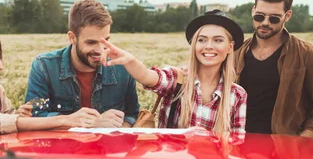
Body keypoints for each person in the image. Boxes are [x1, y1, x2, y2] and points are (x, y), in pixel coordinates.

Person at [101, 10, 247, 138]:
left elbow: (236, 143)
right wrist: (130, 61)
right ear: (194, 45)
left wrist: (208, 139)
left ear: (230, 47)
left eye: (218, 40)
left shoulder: (238, 95)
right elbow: (147, 76)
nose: (209, 46)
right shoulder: (177, 79)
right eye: (202, 40)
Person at [235, 0, 313, 136]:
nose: (265, 23)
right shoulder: (236, 52)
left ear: (287, 16)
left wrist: (304, 138)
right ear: (253, 10)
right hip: (238, 146)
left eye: (274, 18)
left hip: (282, 149)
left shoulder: (308, 55)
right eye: (259, 16)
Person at [24, 0, 140, 127]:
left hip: (108, 145)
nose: (100, 50)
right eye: (91, 42)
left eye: (105, 41)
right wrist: (89, 123)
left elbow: (132, 114)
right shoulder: (44, 67)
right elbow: (33, 117)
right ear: (72, 37)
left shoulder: (122, 67)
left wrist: (115, 134)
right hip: (61, 145)